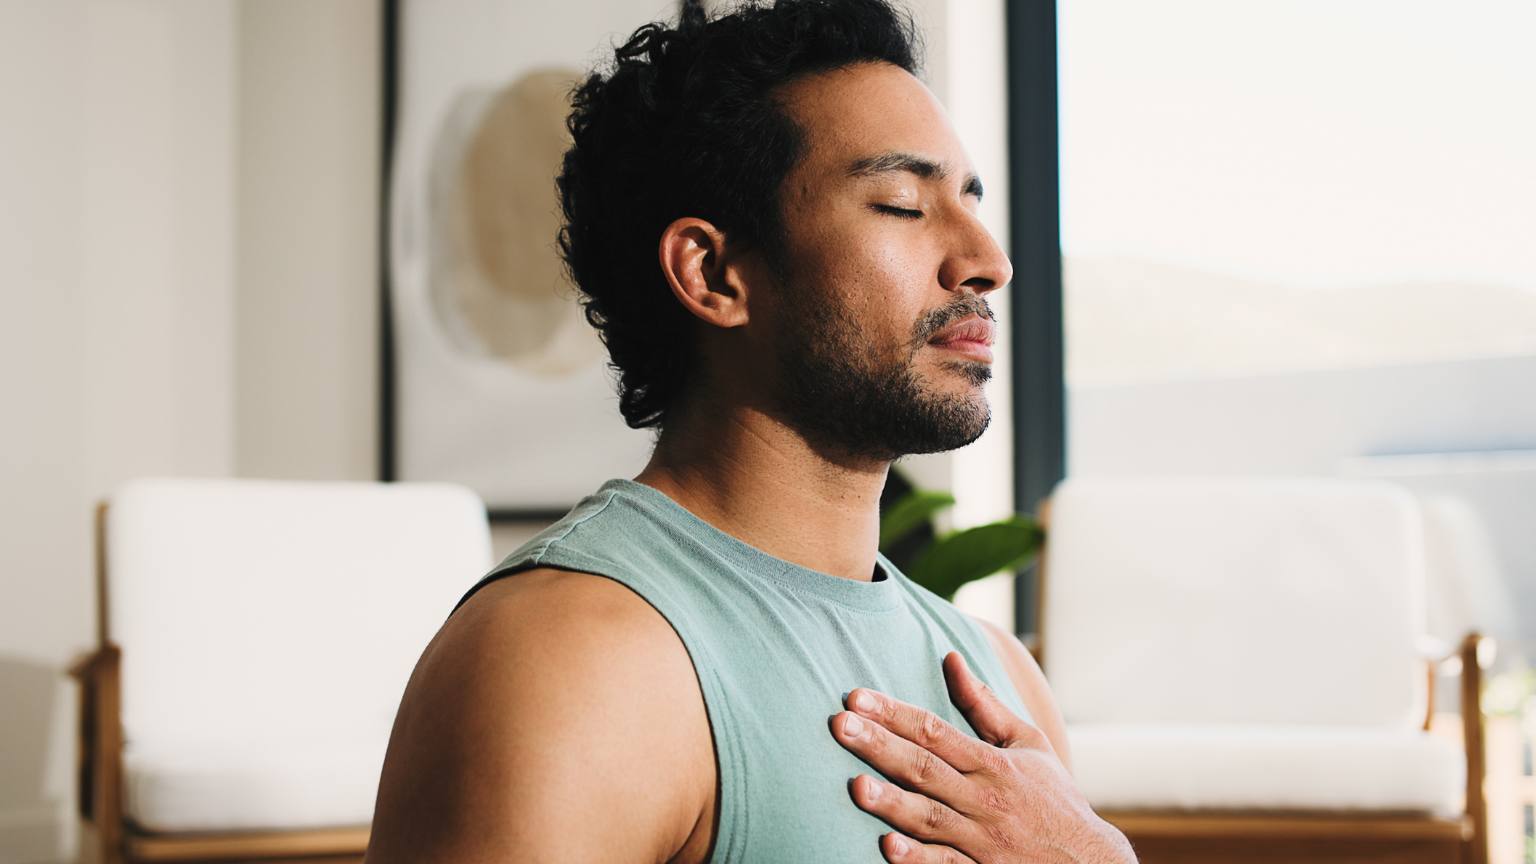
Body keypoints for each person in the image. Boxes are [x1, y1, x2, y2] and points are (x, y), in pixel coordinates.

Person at [367, 0, 1135, 861]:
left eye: (969, 199)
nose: (987, 261)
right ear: (715, 273)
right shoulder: (567, 660)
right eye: (900, 204)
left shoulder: (1004, 678)